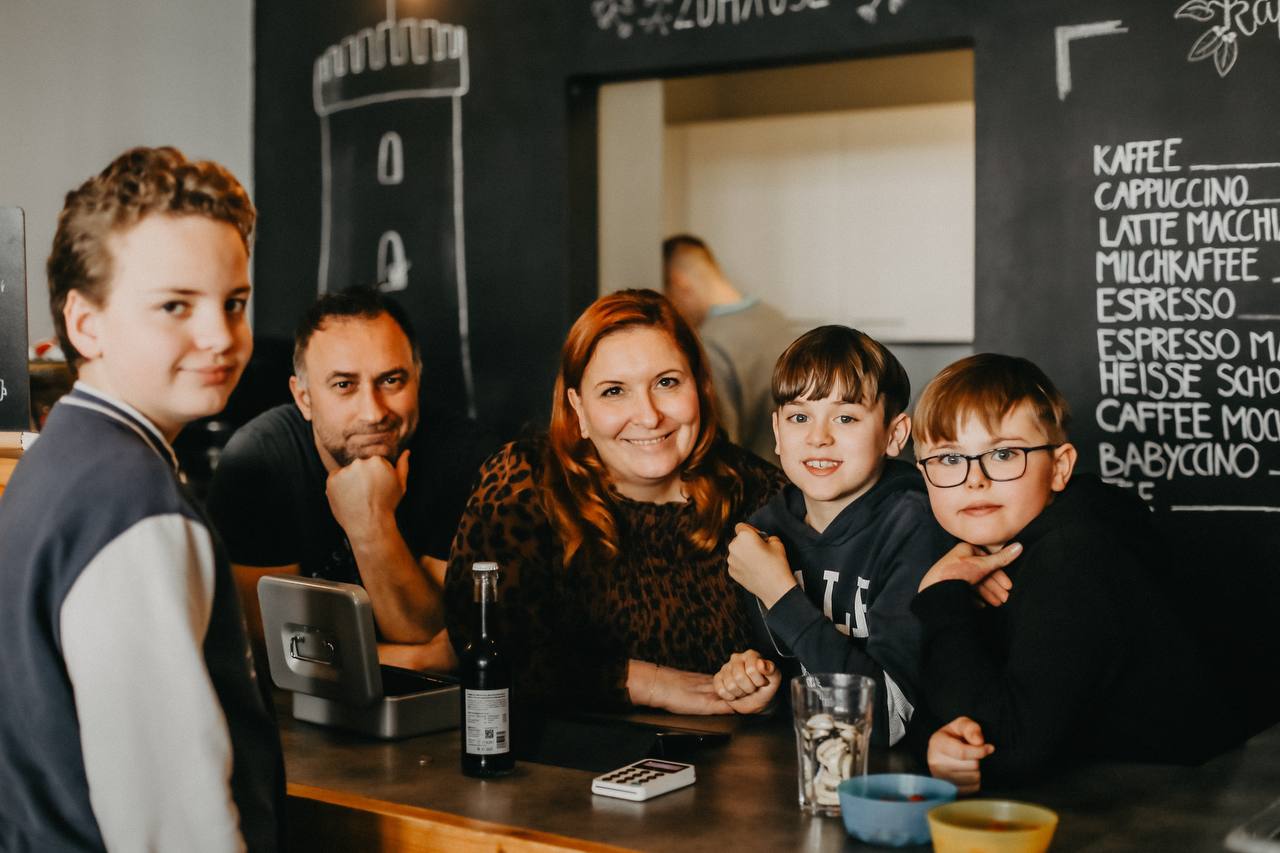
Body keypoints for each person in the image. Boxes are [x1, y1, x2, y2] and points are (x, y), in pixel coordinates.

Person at [0, 146, 282, 850]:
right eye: (174, 305)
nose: (220, 335)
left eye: (235, 302)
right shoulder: (131, 503)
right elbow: (175, 826)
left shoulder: (55, 462)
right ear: (84, 323)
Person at [444, 289, 788, 714]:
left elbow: (813, 660)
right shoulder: (523, 484)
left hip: (729, 764)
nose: (647, 415)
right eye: (613, 391)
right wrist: (649, 683)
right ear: (579, 408)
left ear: (700, 387)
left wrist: (768, 685)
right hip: (557, 765)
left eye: (667, 383)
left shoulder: (762, 496)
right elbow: (483, 647)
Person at [908, 353, 1235, 793]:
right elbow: (957, 708)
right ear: (923, 475)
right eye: (949, 459)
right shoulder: (986, 556)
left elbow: (1007, 750)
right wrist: (939, 742)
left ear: (1059, 467)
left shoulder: (1076, 554)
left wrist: (942, 596)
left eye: (1003, 453)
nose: (974, 479)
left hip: (1160, 813)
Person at [206, 286, 494, 671]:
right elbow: (270, 651)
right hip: (297, 716)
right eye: (344, 385)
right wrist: (417, 660)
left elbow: (434, 633)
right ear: (304, 398)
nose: (373, 412)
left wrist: (370, 523)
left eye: (391, 381)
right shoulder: (259, 462)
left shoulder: (468, 458)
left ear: (417, 378)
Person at [712, 326, 953, 746]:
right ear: (776, 431)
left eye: (845, 417)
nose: (818, 437)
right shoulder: (762, 536)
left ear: (894, 435)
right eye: (799, 417)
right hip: (809, 770)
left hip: (896, 782)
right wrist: (761, 691)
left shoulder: (916, 526)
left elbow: (887, 723)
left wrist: (781, 593)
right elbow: (796, 679)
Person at [662, 234, 796, 462]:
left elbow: (722, 443)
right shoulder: (774, 318)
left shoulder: (710, 343)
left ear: (679, 282)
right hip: (796, 480)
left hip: (756, 486)